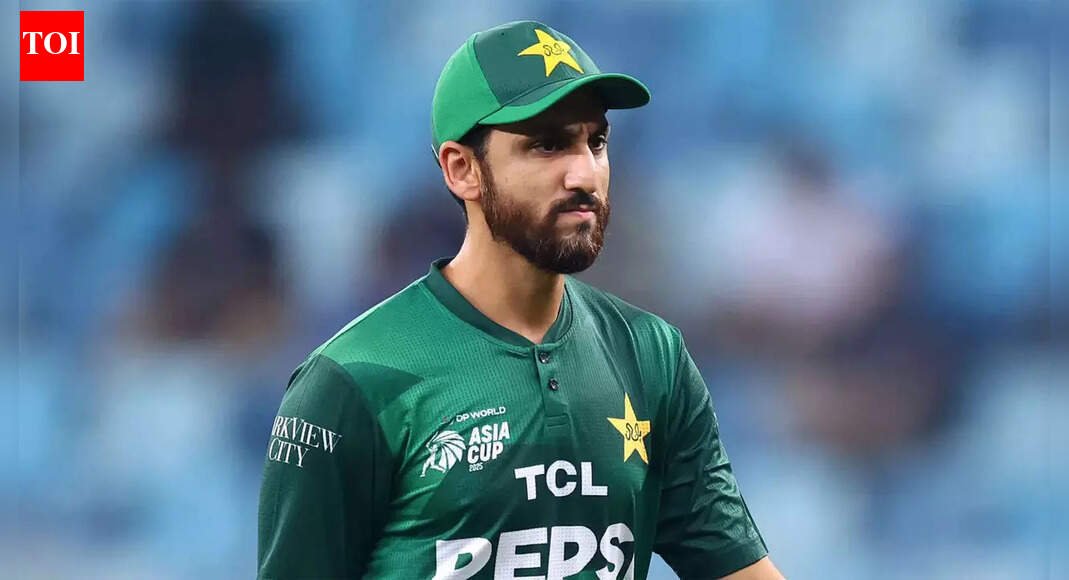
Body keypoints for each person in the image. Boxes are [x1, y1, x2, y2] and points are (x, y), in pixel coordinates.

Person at [257, 20, 783, 580]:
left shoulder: (652, 356)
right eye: (547, 145)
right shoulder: (354, 380)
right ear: (462, 169)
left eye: (596, 142)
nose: (584, 174)